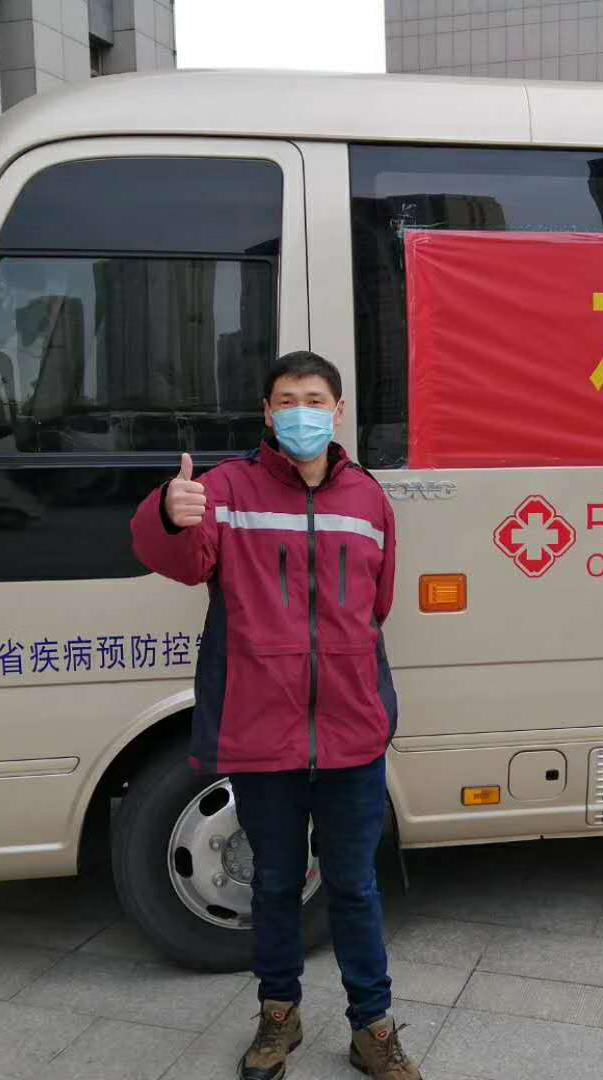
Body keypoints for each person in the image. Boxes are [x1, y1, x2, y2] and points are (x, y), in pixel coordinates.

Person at [130, 351, 419, 1080]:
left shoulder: (368, 498)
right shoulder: (228, 489)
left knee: (355, 886)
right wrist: (167, 512)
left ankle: (373, 1027)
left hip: (352, 731)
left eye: (315, 400)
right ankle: (278, 1016)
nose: (301, 413)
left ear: (338, 411)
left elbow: (377, 604)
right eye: (287, 400)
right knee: (276, 884)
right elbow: (182, 560)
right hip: (264, 731)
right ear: (266, 412)